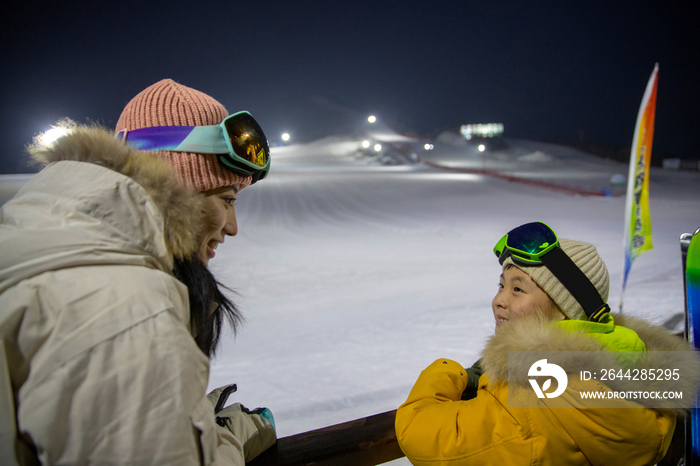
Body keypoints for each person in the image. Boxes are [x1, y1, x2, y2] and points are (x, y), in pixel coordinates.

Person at [0, 79, 275, 465]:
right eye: (227, 199)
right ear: (178, 186)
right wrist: (224, 442)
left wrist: (185, 424)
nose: (232, 227)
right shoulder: (124, 309)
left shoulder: (43, 246)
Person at [395, 221, 700, 465]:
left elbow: (418, 431)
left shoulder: (538, 396)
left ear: (565, 309)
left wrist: (452, 373)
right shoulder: (630, 368)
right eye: (501, 285)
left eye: (518, 289)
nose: (499, 300)